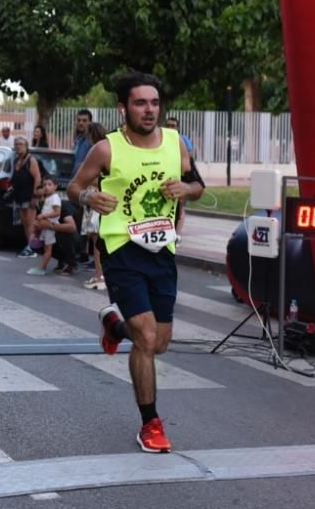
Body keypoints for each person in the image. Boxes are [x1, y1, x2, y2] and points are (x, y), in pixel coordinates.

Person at [68, 71, 204, 454]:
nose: (149, 110)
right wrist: (88, 198)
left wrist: (185, 189)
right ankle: (151, 424)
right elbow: (74, 186)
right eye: (140, 103)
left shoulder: (176, 144)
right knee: (145, 337)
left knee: (159, 342)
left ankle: (114, 324)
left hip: (162, 250)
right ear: (123, 107)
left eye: (155, 103)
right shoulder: (107, 149)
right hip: (122, 248)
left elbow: (198, 185)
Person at [81, 122, 109, 290]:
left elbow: (94, 177)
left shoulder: (97, 153)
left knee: (96, 240)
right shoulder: (109, 150)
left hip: (96, 197)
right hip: (100, 198)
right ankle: (102, 273)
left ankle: (99, 275)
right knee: (99, 239)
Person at [11, 136, 43, 257]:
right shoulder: (16, 160)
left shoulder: (31, 160)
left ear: (26, 146)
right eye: (16, 144)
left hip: (29, 195)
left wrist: (35, 196)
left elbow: (37, 178)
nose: (18, 146)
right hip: (19, 195)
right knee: (24, 222)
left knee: (31, 223)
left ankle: (32, 248)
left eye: (21, 144)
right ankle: (29, 246)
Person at [27, 175, 63, 276]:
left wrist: (44, 215)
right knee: (44, 247)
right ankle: (41, 267)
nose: (46, 187)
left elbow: (57, 212)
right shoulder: (48, 198)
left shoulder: (55, 198)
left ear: (55, 186)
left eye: (49, 184)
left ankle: (42, 268)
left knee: (48, 249)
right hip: (45, 226)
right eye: (44, 185)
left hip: (50, 227)